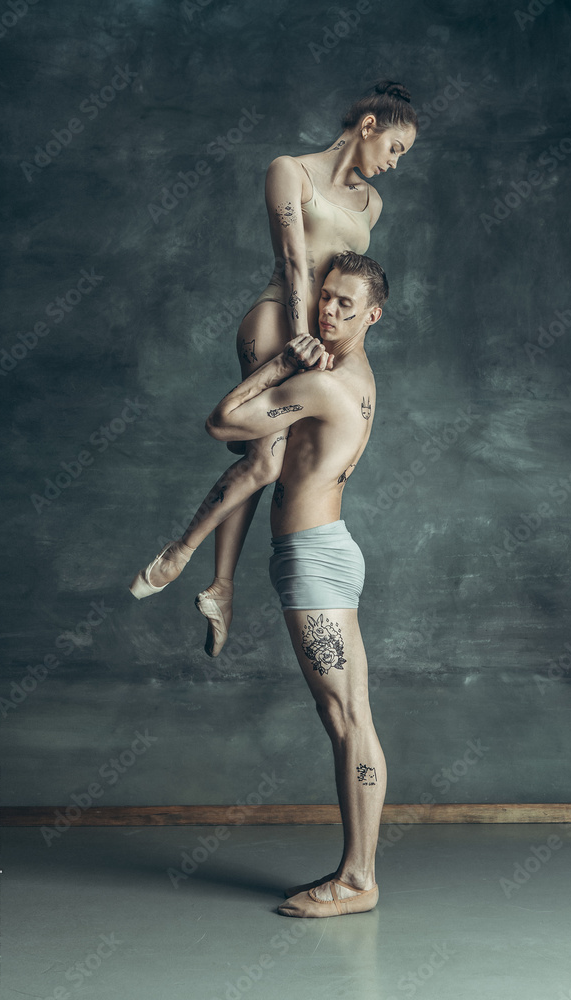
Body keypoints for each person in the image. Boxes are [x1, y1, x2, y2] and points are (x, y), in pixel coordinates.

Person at [129, 82, 417, 660]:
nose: (394, 162)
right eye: (394, 146)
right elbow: (292, 259)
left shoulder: (372, 205)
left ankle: (220, 586)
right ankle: (182, 554)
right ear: (367, 125)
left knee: (271, 464)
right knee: (264, 458)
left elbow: (349, 284)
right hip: (275, 322)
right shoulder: (290, 171)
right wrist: (301, 334)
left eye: (402, 156)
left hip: (320, 339)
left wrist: (343, 351)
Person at [204, 250, 388, 917]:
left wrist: (278, 365)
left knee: (346, 718)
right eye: (326, 297)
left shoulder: (323, 383)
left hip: (314, 559)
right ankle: (356, 872)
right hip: (319, 553)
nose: (328, 311)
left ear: (373, 315)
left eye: (346, 304)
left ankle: (357, 881)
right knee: (345, 716)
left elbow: (222, 423)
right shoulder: (350, 372)